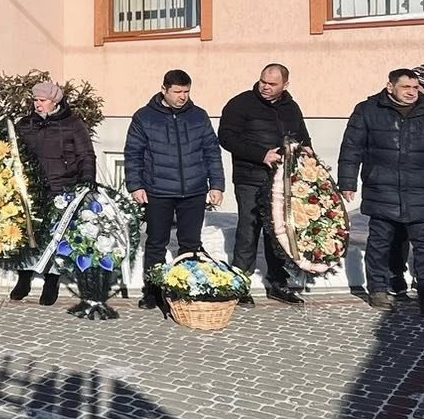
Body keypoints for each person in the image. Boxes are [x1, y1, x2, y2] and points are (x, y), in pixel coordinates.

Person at [338, 68, 424, 314]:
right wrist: (347, 182)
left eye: (416, 87)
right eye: (406, 87)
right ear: (390, 87)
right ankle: (378, 290)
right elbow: (351, 148)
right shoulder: (368, 110)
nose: (412, 92)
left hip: (422, 191)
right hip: (381, 188)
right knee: (379, 244)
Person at [125, 70, 226, 305]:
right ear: (164, 90)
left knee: (190, 244)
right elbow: (133, 154)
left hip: (194, 189)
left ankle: (187, 286)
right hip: (157, 189)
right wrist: (136, 185)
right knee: (156, 243)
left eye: (187, 91)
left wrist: (217, 184)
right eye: (178, 92)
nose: (183, 96)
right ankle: (152, 290)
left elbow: (212, 151)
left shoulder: (198, 116)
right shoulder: (144, 117)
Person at [217, 63, 311, 305]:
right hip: (251, 178)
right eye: (263, 82)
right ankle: (240, 284)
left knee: (279, 232)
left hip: (283, 181)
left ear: (285, 85)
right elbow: (226, 137)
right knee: (248, 231)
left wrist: (307, 152)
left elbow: (302, 135)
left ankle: (278, 283)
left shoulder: (291, 107)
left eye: (272, 84)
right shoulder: (241, 104)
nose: (266, 87)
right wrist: (261, 154)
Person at [12, 79, 98, 306]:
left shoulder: (72, 124)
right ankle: (24, 277)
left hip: (61, 187)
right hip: (31, 189)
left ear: (54, 101)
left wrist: (87, 180)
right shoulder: (25, 124)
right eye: (35, 101)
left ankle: (52, 280)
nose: (37, 105)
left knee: (55, 235)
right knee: (28, 235)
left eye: (42, 101)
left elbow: (86, 155)